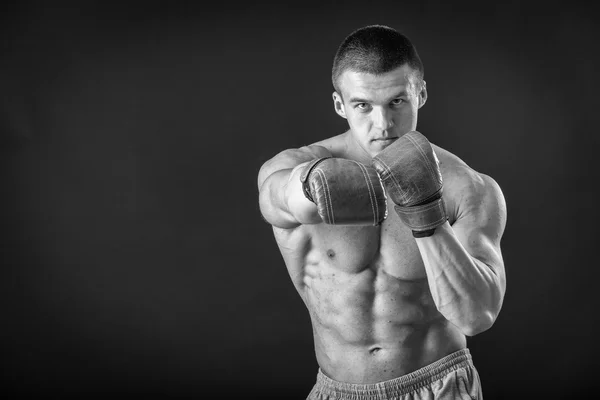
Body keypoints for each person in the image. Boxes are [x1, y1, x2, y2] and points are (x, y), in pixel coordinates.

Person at [257, 25, 506, 400]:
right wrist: (312, 185)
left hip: (439, 387)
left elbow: (477, 316)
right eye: (363, 106)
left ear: (420, 94)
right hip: (339, 389)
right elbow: (278, 197)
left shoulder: (468, 187)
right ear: (340, 104)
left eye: (397, 102)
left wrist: (426, 214)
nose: (383, 125)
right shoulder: (296, 166)